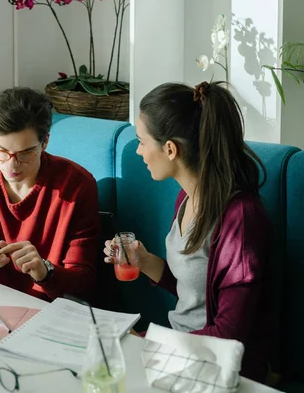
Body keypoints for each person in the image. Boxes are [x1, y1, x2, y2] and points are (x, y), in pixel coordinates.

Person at [103, 81, 272, 382]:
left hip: (220, 367)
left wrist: (149, 344)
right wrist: (144, 261)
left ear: (170, 149)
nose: (139, 151)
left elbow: (229, 334)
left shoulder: (240, 218)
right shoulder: (188, 196)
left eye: (142, 141)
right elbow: (196, 291)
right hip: (183, 350)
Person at [0, 87, 99, 302]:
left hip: (50, 311)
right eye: (1, 151)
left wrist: (45, 272)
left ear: (44, 142)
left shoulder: (76, 186)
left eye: (25, 153)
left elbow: (84, 283)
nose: (12, 165)